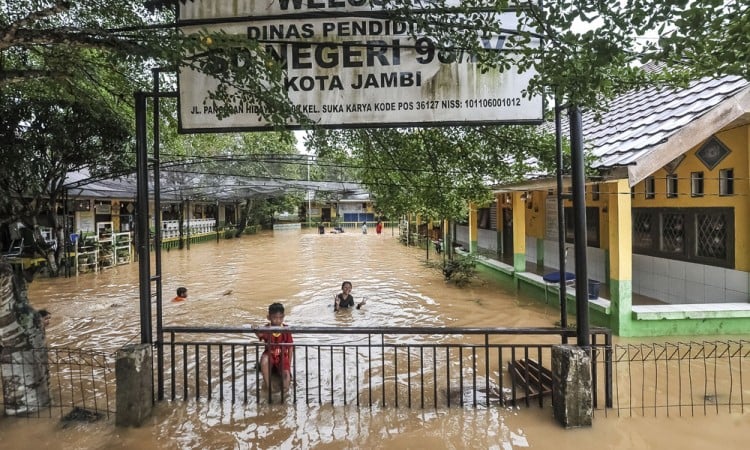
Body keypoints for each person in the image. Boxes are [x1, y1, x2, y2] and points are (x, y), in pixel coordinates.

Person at [255, 302, 294, 391]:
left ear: (283, 316)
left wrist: (289, 365)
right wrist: (255, 330)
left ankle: (285, 391)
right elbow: (259, 334)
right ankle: (270, 388)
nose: (277, 320)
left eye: (280, 318)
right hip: (270, 354)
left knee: (286, 375)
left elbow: (290, 347)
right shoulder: (266, 328)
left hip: (282, 356)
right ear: (269, 317)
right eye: (275, 318)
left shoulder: (286, 329)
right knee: (264, 361)